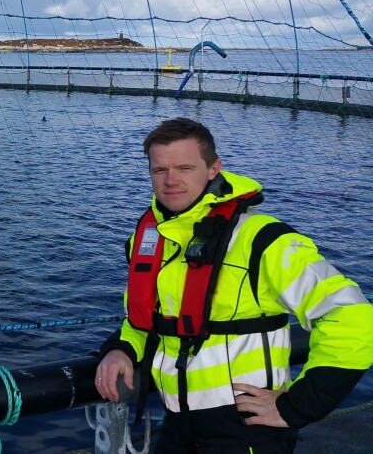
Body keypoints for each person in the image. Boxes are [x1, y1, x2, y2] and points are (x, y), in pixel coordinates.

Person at [95, 117, 373, 453]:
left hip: (248, 430)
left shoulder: (263, 240)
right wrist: (119, 350)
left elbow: (354, 317)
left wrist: (298, 405)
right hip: (178, 425)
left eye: (185, 167)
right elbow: (145, 320)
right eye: (159, 170)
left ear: (214, 169)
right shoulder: (151, 240)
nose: (171, 180)